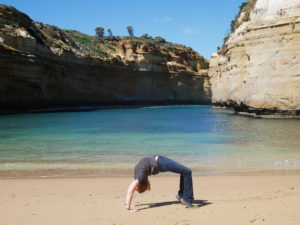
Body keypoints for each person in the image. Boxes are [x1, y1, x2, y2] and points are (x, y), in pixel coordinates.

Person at [125, 155, 194, 211]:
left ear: (140, 185)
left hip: (160, 162)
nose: (135, 188)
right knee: (186, 171)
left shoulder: (139, 177)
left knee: (185, 171)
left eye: (136, 189)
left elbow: (130, 191)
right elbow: (131, 191)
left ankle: (182, 196)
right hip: (160, 161)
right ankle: (186, 198)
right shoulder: (139, 176)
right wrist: (129, 206)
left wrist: (128, 207)